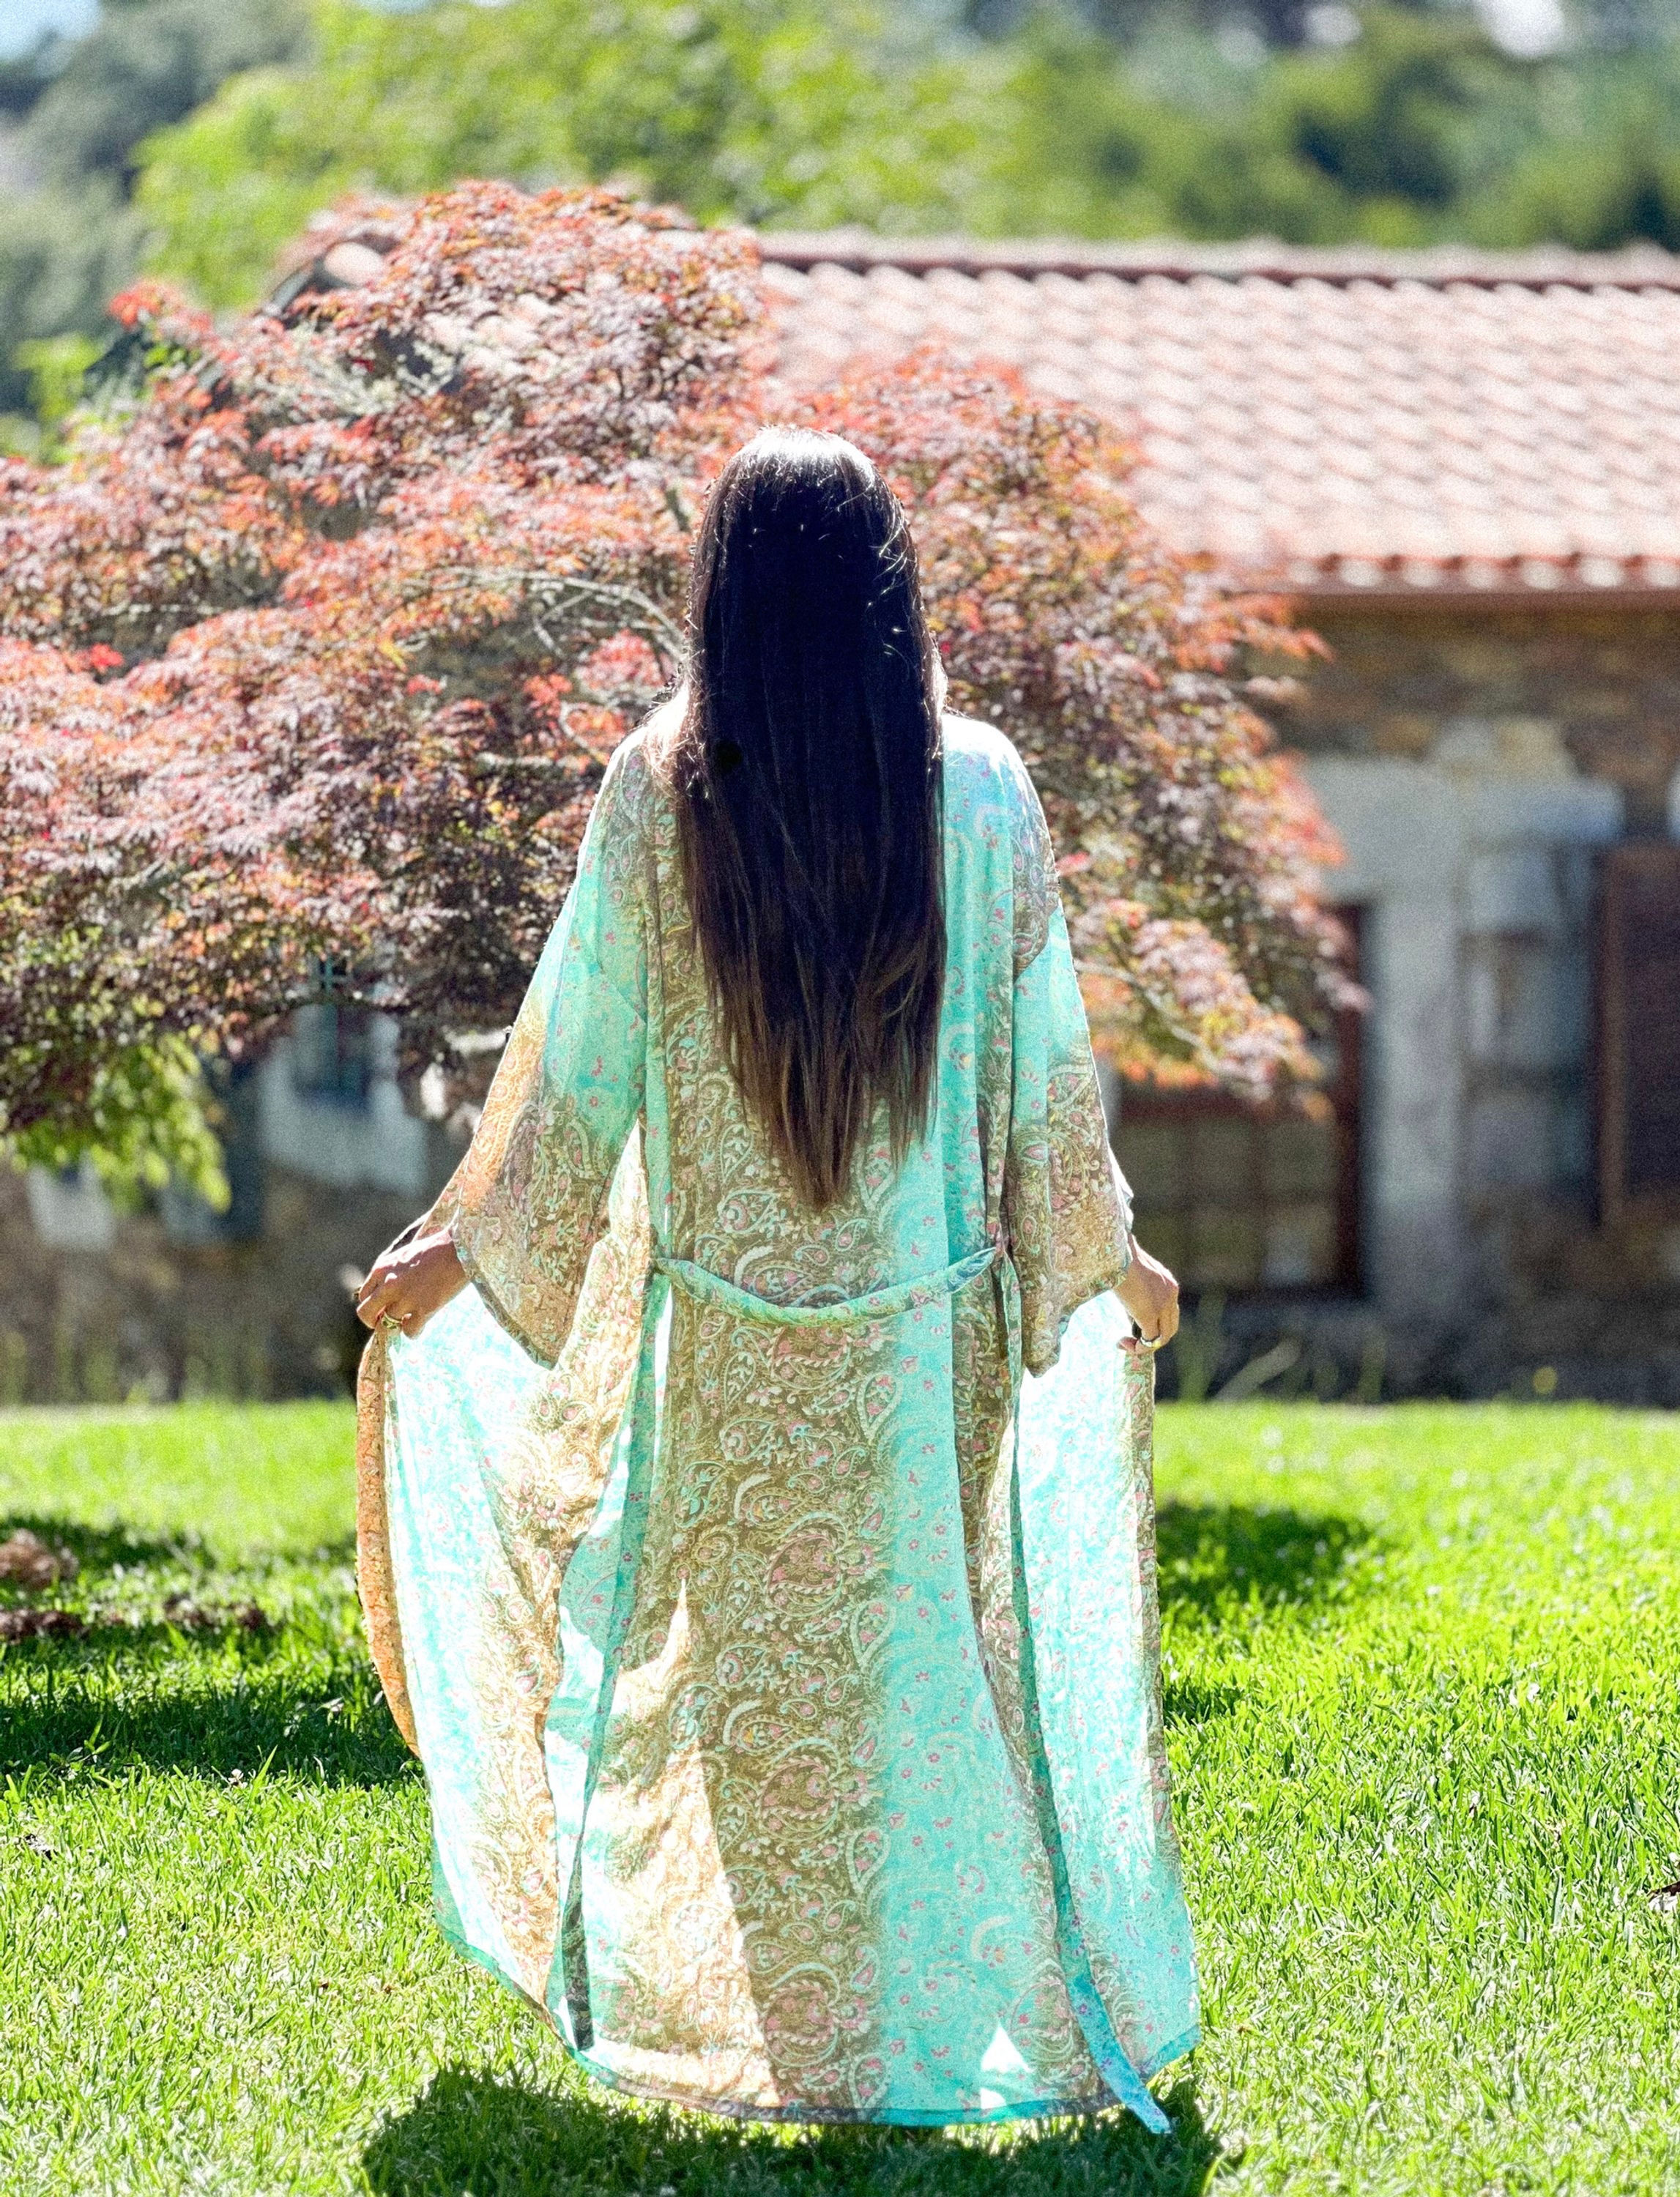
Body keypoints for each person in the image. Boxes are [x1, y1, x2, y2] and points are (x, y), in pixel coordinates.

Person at [353, 427, 1198, 2130]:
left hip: (729, 1354)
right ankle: (907, 2045)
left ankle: (810, 2057)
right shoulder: (980, 791)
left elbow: (578, 1077)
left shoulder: (659, 793)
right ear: (892, 590)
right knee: (914, 1679)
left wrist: (460, 1250)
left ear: (721, 595)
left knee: (755, 1707)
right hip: (923, 1346)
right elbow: (1042, 1082)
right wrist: (1108, 1258)